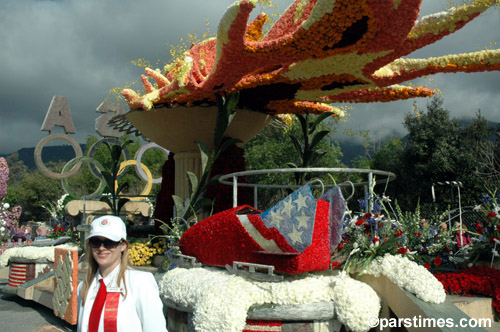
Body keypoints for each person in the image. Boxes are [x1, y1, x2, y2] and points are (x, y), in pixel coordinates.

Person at [77, 215, 168, 332]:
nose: (101, 248)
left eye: (109, 242)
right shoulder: (84, 287)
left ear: (123, 246)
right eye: (95, 242)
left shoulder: (140, 283)